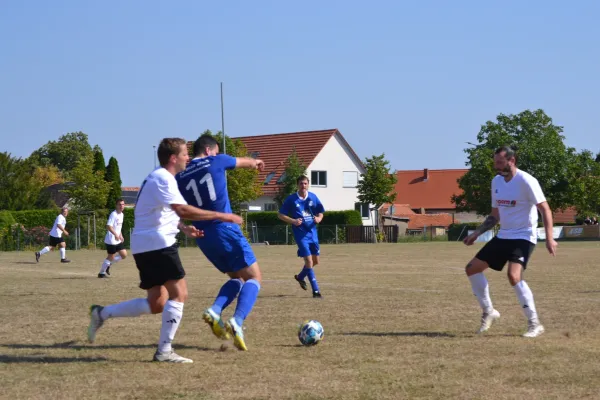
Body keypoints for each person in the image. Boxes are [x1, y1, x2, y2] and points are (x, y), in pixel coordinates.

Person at [87, 138, 243, 363]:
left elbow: (163, 212)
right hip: (158, 244)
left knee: (156, 303)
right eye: (184, 154)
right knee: (179, 294)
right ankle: (164, 351)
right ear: (173, 158)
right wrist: (222, 216)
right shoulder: (163, 179)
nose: (188, 158)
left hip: (144, 244)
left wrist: (183, 228)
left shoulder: (158, 178)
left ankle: (101, 313)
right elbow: (182, 209)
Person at [176, 134, 264, 351]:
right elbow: (243, 162)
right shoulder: (216, 160)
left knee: (236, 278)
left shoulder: (179, 176)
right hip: (225, 228)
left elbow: (172, 209)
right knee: (254, 277)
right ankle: (237, 321)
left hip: (203, 237)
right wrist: (256, 163)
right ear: (208, 150)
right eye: (214, 151)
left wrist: (183, 228)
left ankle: (215, 310)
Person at [463, 145, 557, 338]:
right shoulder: (496, 182)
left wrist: (549, 238)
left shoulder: (526, 181)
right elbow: (494, 216)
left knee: (513, 276)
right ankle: (489, 312)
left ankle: (534, 323)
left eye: (500, 162)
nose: (496, 166)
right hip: (504, 235)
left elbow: (545, 209)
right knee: (472, 268)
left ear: (511, 161)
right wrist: (477, 233)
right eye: (495, 162)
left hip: (524, 236)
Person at [277, 175, 325, 298]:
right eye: (301, 184)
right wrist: (293, 221)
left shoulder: (313, 197)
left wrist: (319, 218)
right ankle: (316, 291)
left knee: (315, 261)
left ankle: (300, 277)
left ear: (308, 184)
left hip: (312, 233)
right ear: (297, 185)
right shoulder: (291, 199)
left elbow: (320, 211)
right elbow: (281, 215)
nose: (303, 186)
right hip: (301, 234)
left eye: (305, 183)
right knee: (308, 261)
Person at [98, 198, 127, 278]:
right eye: (119, 204)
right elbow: (109, 226)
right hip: (111, 240)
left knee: (124, 254)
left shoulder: (122, 214)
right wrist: (115, 235)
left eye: (123, 204)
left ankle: (108, 265)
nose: (121, 206)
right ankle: (101, 273)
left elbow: (118, 227)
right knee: (111, 257)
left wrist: (120, 235)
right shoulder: (113, 214)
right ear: (116, 205)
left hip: (117, 239)